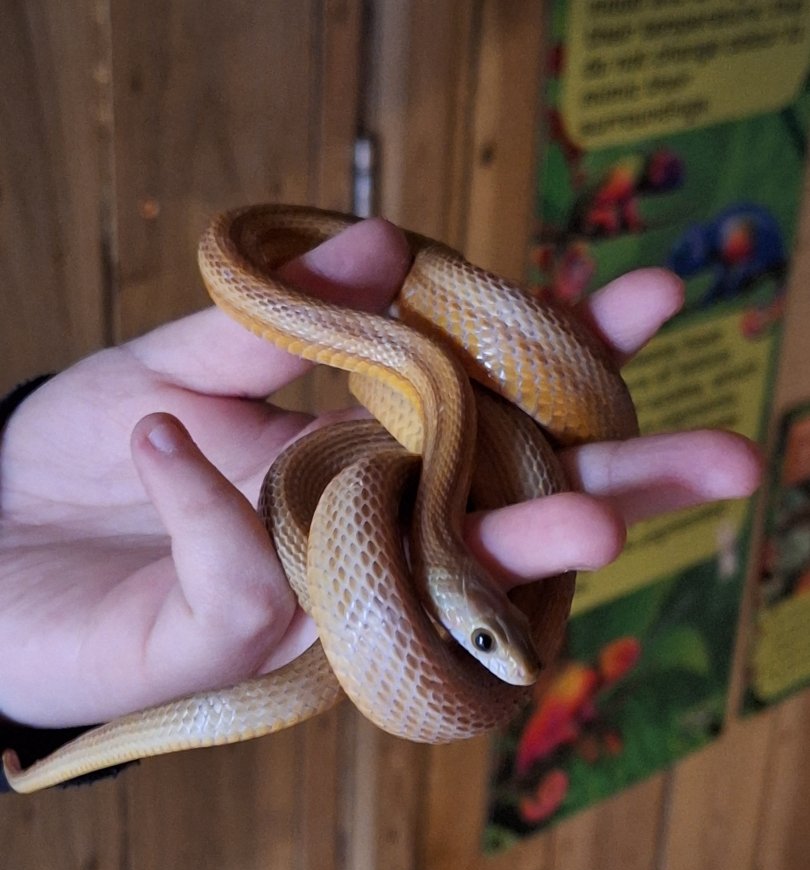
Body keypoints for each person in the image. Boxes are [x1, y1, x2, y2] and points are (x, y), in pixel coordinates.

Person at [0, 217, 762, 779]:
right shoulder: (393, 446)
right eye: (485, 642)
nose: (509, 667)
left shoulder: (412, 447)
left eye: (489, 643)